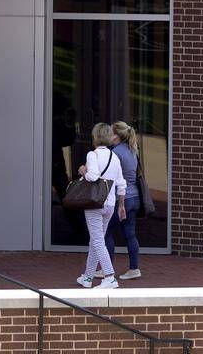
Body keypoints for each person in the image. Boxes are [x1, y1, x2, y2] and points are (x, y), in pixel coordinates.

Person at [76, 123, 126, 289]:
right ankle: (88, 277)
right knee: (96, 240)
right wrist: (121, 205)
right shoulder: (114, 157)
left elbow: (92, 176)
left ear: (95, 137)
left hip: (95, 203)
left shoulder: (92, 154)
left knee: (97, 241)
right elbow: (121, 183)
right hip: (110, 204)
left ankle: (110, 276)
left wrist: (83, 171)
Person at [102, 121, 142, 280]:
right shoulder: (133, 150)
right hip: (134, 197)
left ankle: (107, 269)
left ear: (116, 136)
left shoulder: (115, 153)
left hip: (121, 198)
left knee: (107, 232)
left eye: (111, 133)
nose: (109, 136)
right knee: (130, 234)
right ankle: (134, 268)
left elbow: (111, 177)